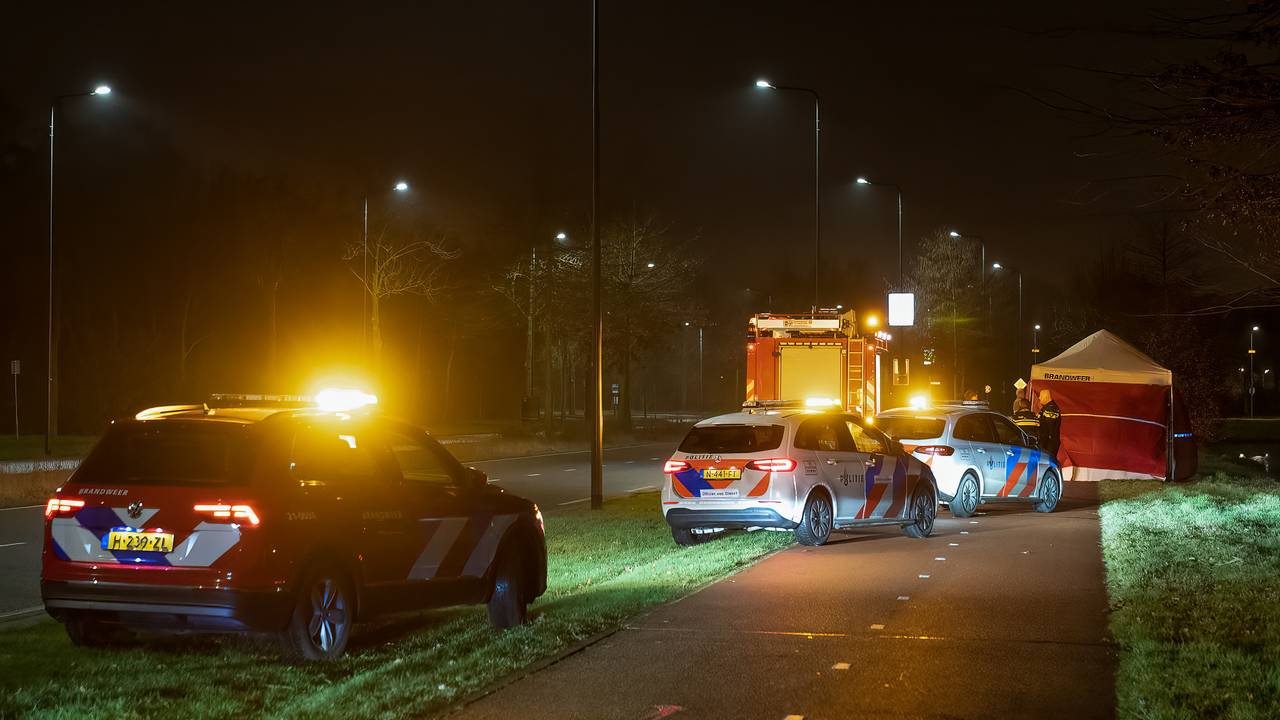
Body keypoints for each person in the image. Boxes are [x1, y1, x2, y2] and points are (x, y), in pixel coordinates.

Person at [1037, 388, 1062, 458]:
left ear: (1046, 397)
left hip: (1049, 443)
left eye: (1041, 396)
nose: (1039, 398)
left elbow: (1050, 427)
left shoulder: (1051, 409)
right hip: (1047, 442)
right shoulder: (1047, 408)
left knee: (1047, 461)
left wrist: (1045, 441)